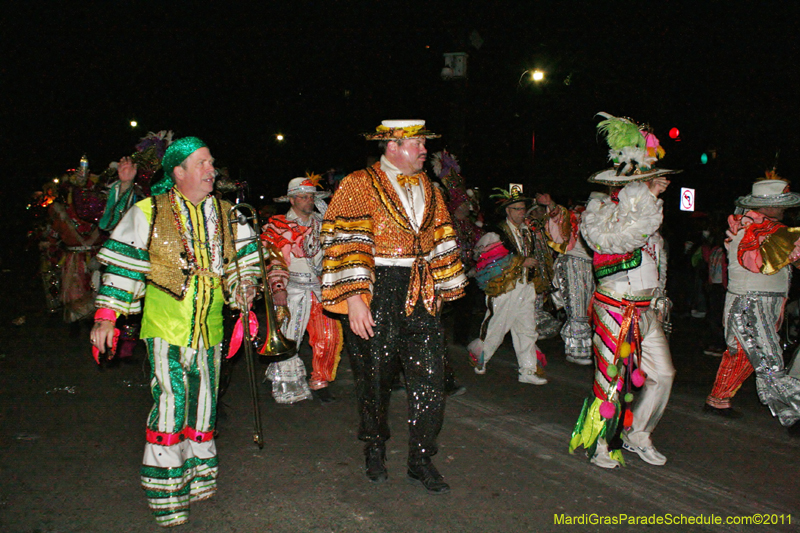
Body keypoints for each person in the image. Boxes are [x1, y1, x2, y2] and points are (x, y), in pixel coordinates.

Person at [90, 137, 260, 527]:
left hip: (211, 330)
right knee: (171, 404)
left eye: (211, 163)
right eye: (202, 163)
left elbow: (245, 264)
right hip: (166, 327)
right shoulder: (148, 211)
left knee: (204, 404)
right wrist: (106, 316)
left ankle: (197, 478)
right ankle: (166, 494)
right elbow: (125, 267)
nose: (211, 170)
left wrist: (245, 287)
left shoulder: (230, 215)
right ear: (178, 172)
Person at [321, 120, 467, 494]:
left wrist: (445, 286)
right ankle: (374, 446)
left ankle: (421, 458)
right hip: (378, 286)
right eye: (417, 143)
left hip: (421, 288)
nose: (424, 149)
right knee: (374, 376)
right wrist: (355, 297)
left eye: (423, 143)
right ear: (392, 146)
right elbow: (346, 240)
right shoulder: (358, 183)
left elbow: (443, 235)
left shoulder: (430, 187)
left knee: (431, 377)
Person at [569, 113, 679, 469]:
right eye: (645, 181)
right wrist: (647, 198)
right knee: (610, 380)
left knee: (663, 374)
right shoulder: (600, 213)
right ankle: (601, 441)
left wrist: (659, 299)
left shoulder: (649, 218)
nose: (655, 185)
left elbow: (655, 262)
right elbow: (615, 240)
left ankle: (638, 434)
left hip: (646, 310)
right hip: (615, 307)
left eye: (652, 181)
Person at [704, 178, 800, 436]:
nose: (784, 209)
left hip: (760, 302)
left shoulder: (768, 229)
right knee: (769, 360)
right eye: (780, 204)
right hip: (751, 304)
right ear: (767, 206)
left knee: (744, 355)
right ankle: (792, 413)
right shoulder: (753, 229)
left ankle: (718, 399)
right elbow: (760, 262)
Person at [261, 174, 342, 404]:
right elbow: (273, 259)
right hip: (293, 290)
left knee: (329, 337)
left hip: (321, 290)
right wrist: (278, 288)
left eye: (311, 197)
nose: (309, 200)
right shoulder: (278, 225)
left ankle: (320, 380)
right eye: (303, 197)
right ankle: (286, 383)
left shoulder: (323, 223)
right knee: (290, 337)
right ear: (292, 200)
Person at [467, 185, 547, 385]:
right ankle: (481, 358)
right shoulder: (497, 234)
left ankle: (528, 370)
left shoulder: (527, 232)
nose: (521, 213)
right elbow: (487, 261)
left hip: (525, 286)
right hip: (505, 288)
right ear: (507, 211)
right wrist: (520, 262)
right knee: (496, 327)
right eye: (516, 209)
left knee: (527, 329)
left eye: (522, 209)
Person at [539, 192, 596, 365]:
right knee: (577, 307)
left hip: (592, 267)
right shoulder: (576, 216)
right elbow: (559, 221)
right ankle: (576, 350)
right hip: (574, 263)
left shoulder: (604, 220)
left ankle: (580, 348)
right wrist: (551, 204)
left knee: (586, 308)